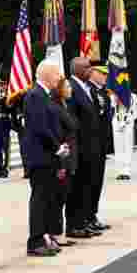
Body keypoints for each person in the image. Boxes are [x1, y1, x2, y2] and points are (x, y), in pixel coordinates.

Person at [23, 60, 67, 256]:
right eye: (57, 74)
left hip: (48, 155)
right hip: (40, 156)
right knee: (39, 199)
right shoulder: (35, 95)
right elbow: (40, 127)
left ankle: (44, 237)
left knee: (47, 199)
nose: (59, 78)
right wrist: (57, 147)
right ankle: (35, 241)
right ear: (47, 75)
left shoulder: (44, 95)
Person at [64, 57, 105, 239]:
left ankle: (84, 221)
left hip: (91, 147)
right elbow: (72, 119)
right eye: (88, 67)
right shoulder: (72, 87)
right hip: (80, 148)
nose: (91, 70)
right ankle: (75, 225)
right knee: (77, 188)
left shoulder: (85, 87)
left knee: (87, 186)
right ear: (78, 69)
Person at [49, 77, 78, 247]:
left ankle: (57, 231)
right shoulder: (57, 108)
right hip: (63, 157)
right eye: (67, 86)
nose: (70, 89)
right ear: (59, 89)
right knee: (58, 197)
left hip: (69, 157)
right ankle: (55, 232)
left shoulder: (65, 106)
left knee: (63, 195)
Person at [86, 65, 112, 231]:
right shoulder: (89, 90)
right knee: (90, 182)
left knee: (97, 181)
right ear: (93, 73)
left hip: (101, 144)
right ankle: (87, 216)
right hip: (91, 144)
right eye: (101, 73)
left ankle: (93, 214)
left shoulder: (103, 92)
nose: (104, 76)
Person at [111, 85, 137, 180]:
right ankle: (119, 170)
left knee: (127, 145)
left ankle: (126, 170)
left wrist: (130, 119)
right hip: (117, 122)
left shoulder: (133, 96)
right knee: (118, 146)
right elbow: (110, 108)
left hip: (128, 122)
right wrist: (115, 100)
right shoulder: (114, 96)